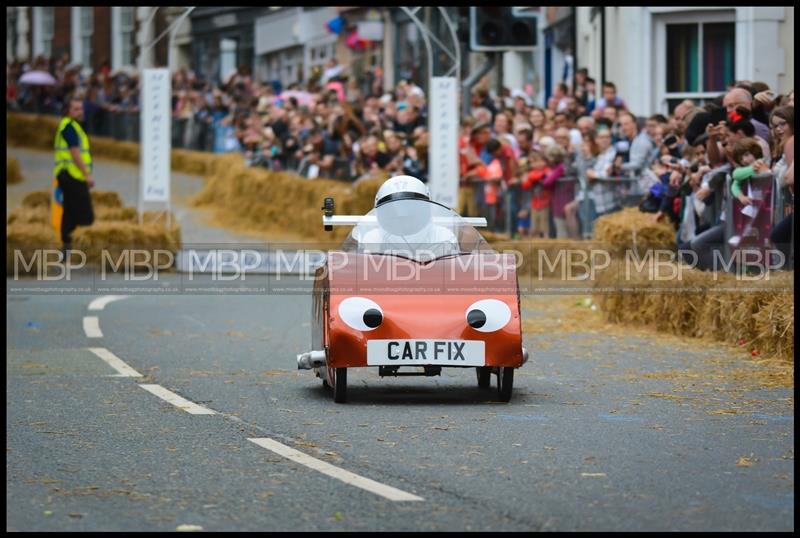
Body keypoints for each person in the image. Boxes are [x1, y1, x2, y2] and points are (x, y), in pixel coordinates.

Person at [54, 96, 95, 252]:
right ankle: (86, 250)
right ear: (68, 111)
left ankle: (66, 248)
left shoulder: (73, 126)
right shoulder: (69, 126)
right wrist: (87, 175)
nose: (80, 111)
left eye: (81, 108)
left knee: (70, 213)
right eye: (76, 109)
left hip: (68, 175)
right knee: (86, 214)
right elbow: (74, 152)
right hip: (72, 175)